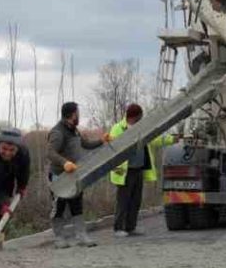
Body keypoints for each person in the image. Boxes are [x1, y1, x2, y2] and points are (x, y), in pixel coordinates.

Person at [47, 101, 108, 248]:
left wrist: (101, 141)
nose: (79, 115)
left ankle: (82, 236)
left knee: (77, 206)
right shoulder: (58, 132)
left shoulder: (74, 130)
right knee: (59, 207)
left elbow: (85, 144)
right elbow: (50, 152)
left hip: (74, 175)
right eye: (77, 113)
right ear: (72, 114)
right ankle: (59, 238)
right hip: (59, 176)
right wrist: (64, 163)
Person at [108, 103, 173, 237]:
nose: (141, 119)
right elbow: (112, 149)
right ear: (134, 117)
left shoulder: (142, 128)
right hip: (125, 171)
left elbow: (155, 139)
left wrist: (172, 139)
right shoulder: (118, 129)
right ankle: (118, 228)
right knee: (123, 201)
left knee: (135, 200)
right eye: (140, 117)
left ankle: (131, 227)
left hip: (138, 169)